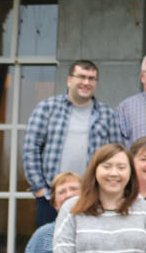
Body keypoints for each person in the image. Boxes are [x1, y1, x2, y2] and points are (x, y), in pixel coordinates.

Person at [23, 60, 125, 227]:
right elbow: (30, 149)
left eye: (91, 78)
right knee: (48, 248)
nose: (86, 82)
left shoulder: (107, 115)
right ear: (70, 80)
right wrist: (41, 190)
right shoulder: (47, 108)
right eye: (82, 77)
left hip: (92, 199)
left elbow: (116, 156)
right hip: (52, 199)